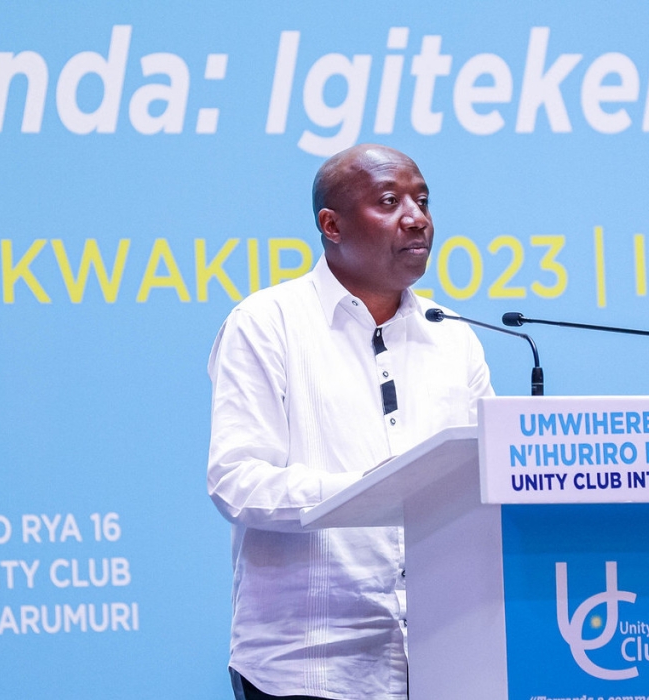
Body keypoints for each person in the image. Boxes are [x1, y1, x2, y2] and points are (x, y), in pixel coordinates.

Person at [206, 144, 493, 700]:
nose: (417, 217)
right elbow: (236, 482)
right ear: (331, 225)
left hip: (448, 660)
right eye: (390, 201)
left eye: (423, 200)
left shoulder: (452, 333)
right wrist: (375, 493)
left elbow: (487, 474)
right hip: (310, 666)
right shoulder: (267, 325)